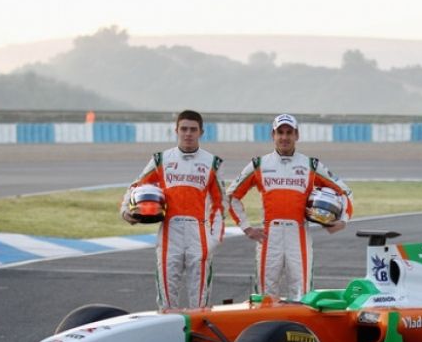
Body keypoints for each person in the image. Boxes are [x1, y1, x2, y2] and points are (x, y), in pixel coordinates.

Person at [227, 113, 353, 300]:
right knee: (265, 296)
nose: (284, 137)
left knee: (302, 294)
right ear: (273, 135)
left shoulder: (311, 165)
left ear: (297, 135)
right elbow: (231, 196)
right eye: (280, 132)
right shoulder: (259, 165)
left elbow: (344, 192)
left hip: (299, 235)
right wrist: (246, 228)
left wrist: (342, 220)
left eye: (289, 132)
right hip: (269, 237)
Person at [121, 110, 226, 309]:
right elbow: (137, 185)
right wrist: (126, 210)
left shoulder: (212, 163)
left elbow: (220, 205)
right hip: (170, 232)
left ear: (201, 132)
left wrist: (214, 239)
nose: (188, 134)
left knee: (201, 302)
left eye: (193, 130)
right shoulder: (161, 159)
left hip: (199, 234)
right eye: (184, 129)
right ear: (176, 130)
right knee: (167, 300)